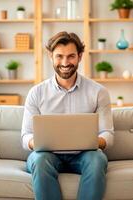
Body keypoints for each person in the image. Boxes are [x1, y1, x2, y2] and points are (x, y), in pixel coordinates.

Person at [21, 31, 114, 200]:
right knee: (39, 160)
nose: (65, 63)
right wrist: (37, 142)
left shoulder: (98, 92)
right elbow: (25, 135)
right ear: (51, 56)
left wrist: (91, 141)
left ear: (79, 56)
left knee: (97, 159)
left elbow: (108, 134)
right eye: (59, 56)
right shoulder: (36, 93)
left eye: (71, 56)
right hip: (47, 156)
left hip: (84, 155)